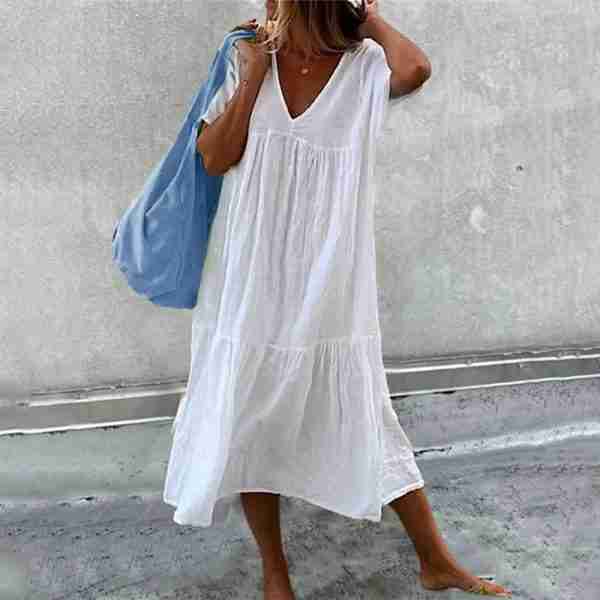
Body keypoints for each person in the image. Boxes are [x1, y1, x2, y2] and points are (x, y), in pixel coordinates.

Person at [163, 1, 512, 598]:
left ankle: (435, 561)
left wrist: (368, 18)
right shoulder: (245, 57)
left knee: (367, 414)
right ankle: (276, 574)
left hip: (329, 278)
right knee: (248, 412)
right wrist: (252, 77)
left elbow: (416, 69)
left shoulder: (363, 66)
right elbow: (215, 157)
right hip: (250, 274)